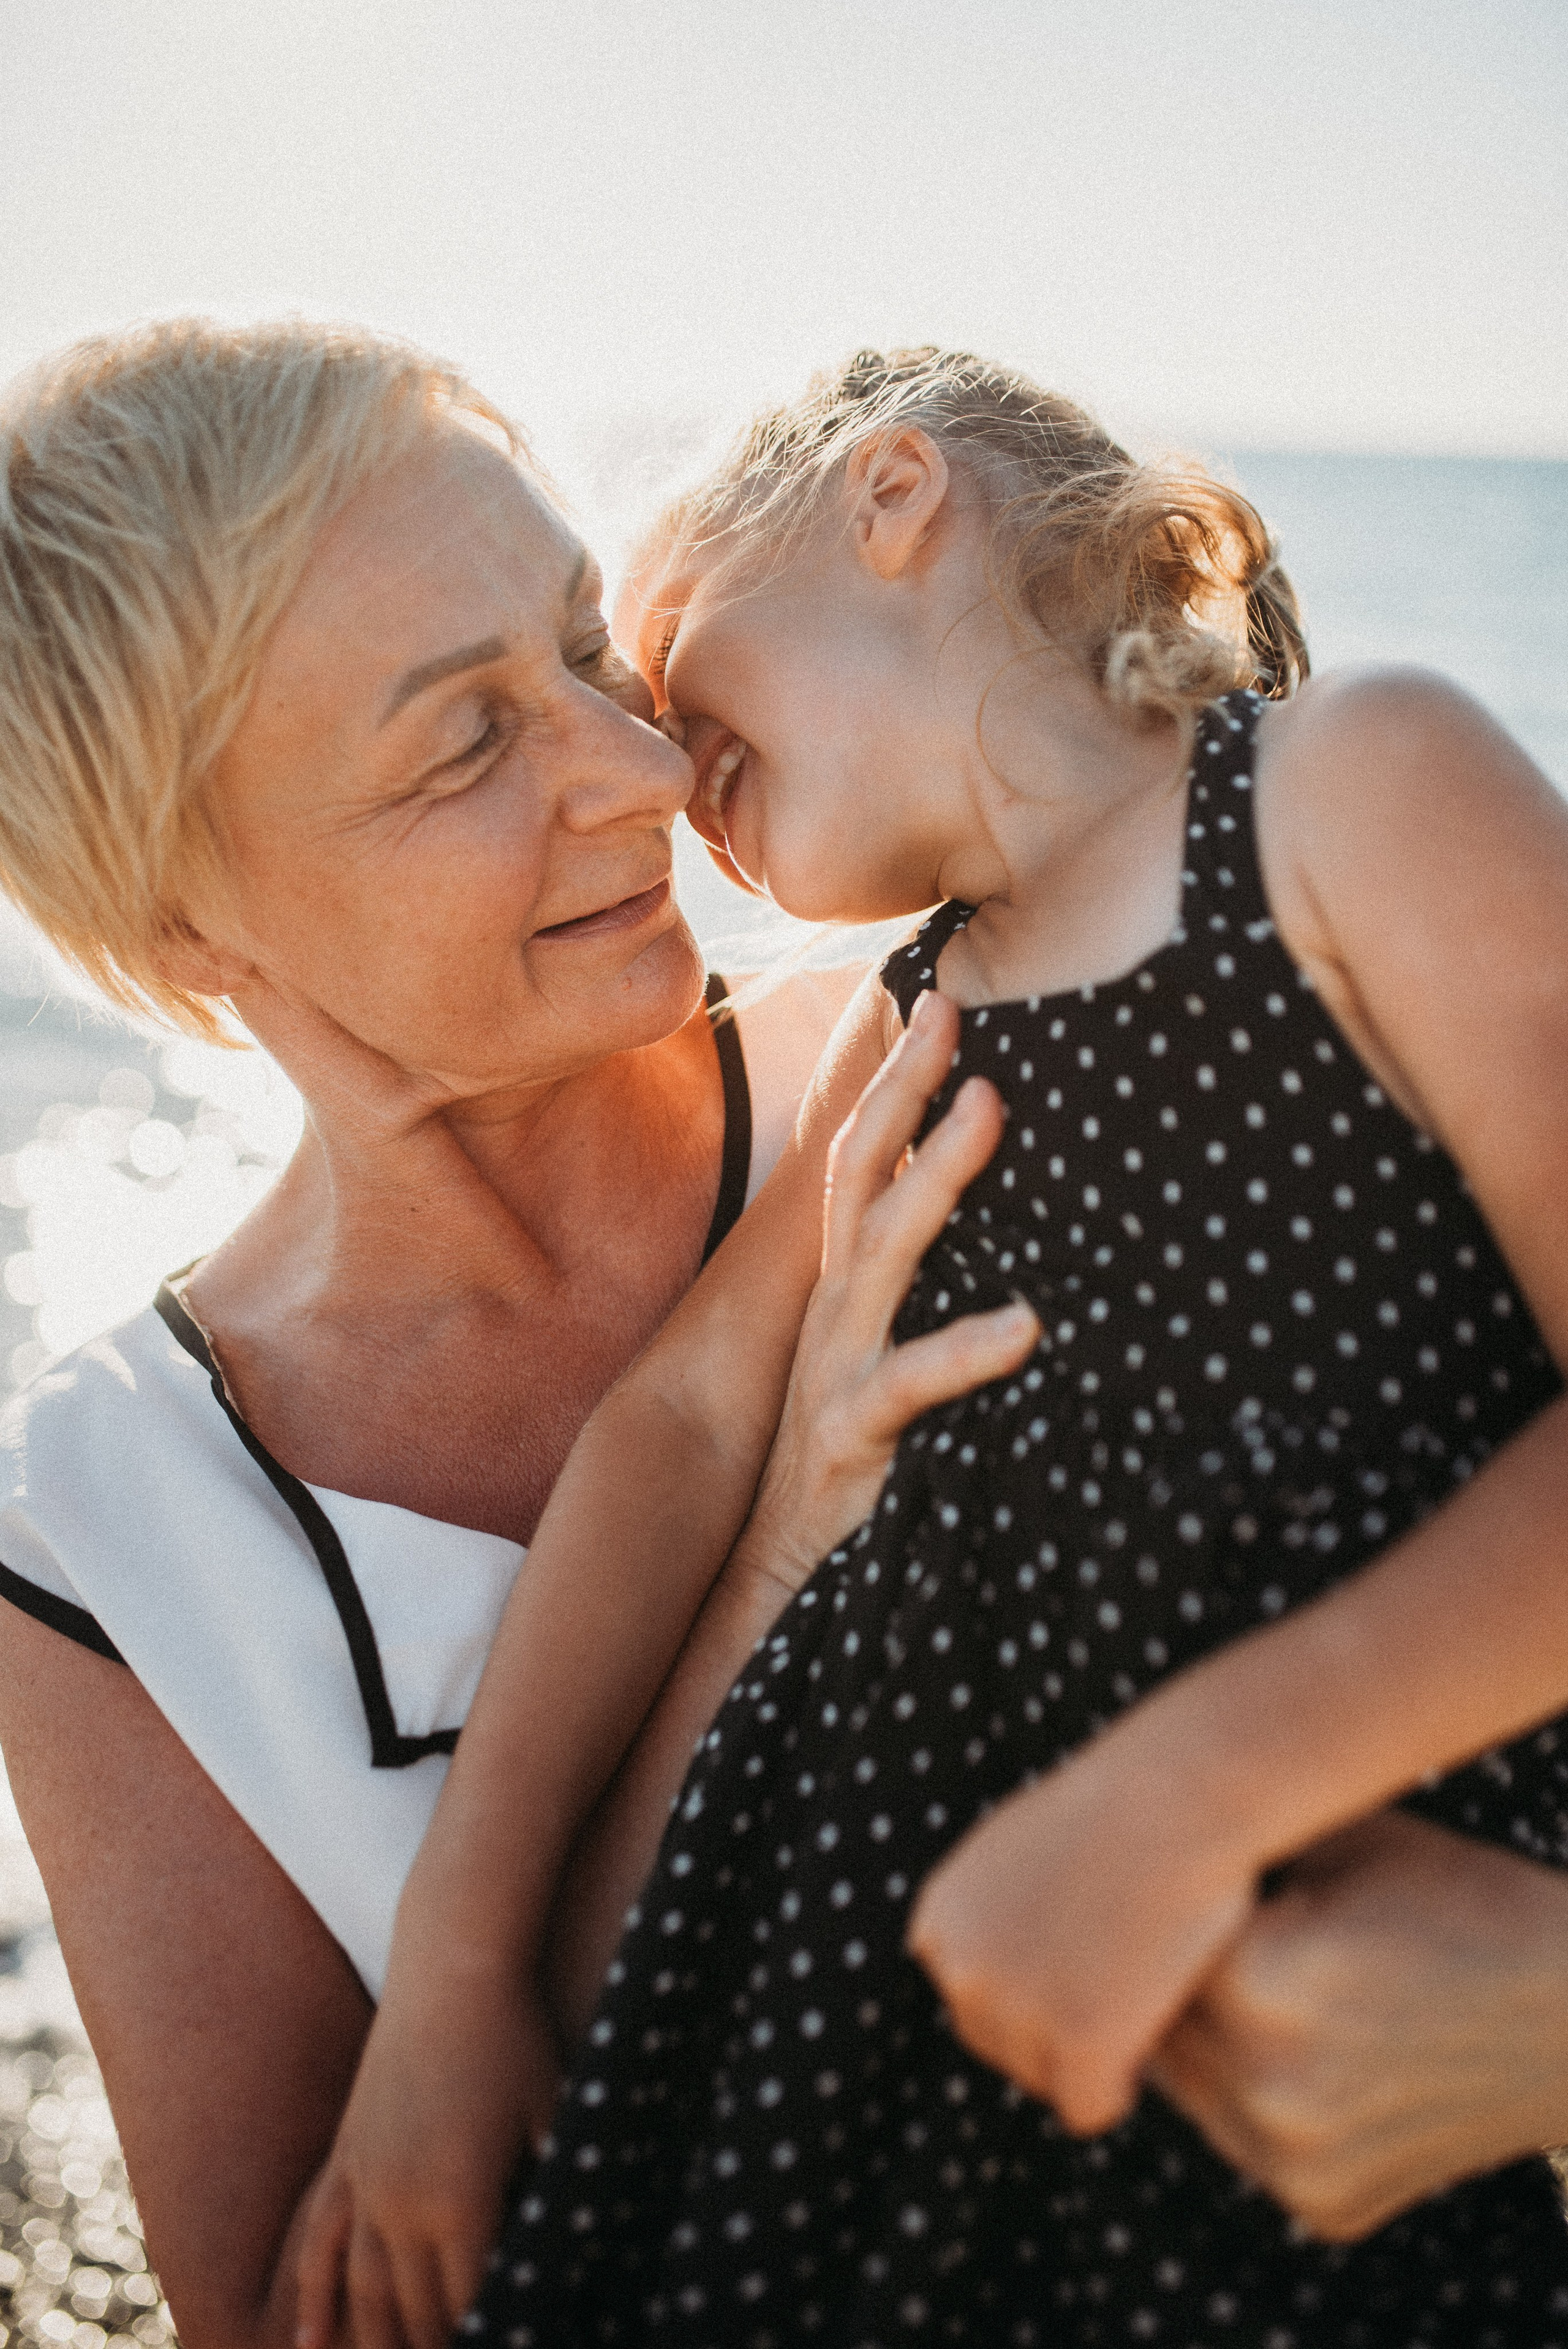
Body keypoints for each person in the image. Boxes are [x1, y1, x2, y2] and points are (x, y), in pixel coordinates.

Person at [308, 347, 1568, 2347]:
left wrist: (1188, 1792)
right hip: (830, 2075)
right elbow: (681, 1421)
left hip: (1281, 2031)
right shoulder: (913, 1023)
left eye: (671, 664)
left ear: (893, 498)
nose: (658, 762)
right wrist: (459, 1964)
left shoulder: (1349, 790)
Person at [0, 318, 1028, 2348]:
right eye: (466, 742)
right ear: (194, 924)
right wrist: (759, 1563)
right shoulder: (112, 1527)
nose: (645, 767)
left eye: (581, 640)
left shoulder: (937, 1061)